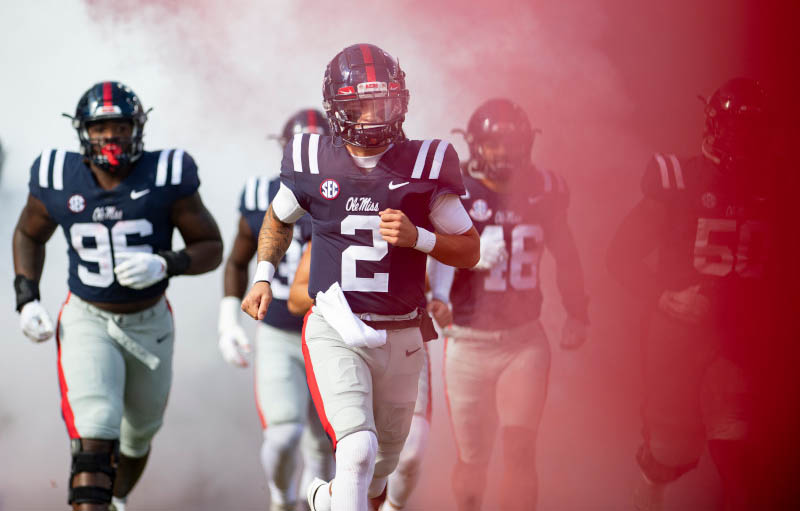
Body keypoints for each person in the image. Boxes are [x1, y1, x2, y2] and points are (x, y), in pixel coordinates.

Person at [240, 43, 480, 511]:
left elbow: (469, 250)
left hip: (403, 330)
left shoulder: (425, 163)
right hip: (336, 324)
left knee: (381, 471)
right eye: (361, 106)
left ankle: (320, 497)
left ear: (401, 100)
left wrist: (420, 239)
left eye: (382, 103)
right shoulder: (313, 157)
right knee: (357, 450)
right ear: (337, 108)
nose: (372, 117)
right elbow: (278, 218)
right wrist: (263, 275)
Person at [12, 81, 222, 511]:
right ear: (83, 132)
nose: (111, 137)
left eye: (120, 127)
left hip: (150, 322)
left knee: (139, 434)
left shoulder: (167, 174)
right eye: (100, 128)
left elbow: (212, 247)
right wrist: (26, 295)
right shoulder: (56, 175)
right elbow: (28, 233)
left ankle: (116, 499)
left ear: (137, 129)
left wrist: (166, 263)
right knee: (96, 428)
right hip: (88, 317)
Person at [607, 78, 774, 511]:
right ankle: (649, 486)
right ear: (715, 125)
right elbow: (620, 257)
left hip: (736, 338)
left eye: (752, 129)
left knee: (740, 454)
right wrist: (664, 296)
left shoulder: (777, 185)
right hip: (679, 338)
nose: (742, 140)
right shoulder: (679, 178)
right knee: (670, 455)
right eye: (735, 127)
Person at [427, 98, 590, 511]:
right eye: (493, 144)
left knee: (520, 452)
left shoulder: (545, 189)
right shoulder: (453, 190)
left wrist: (577, 310)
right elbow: (425, 252)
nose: (503, 153)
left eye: (511, 143)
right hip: (467, 342)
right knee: (473, 461)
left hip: (523, 342)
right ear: (475, 145)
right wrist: (438, 296)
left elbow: (566, 254)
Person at [217, 108, 334, 511]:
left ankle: (310, 503)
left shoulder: (350, 197)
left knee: (326, 441)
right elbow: (236, 260)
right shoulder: (259, 195)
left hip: (329, 334)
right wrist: (227, 321)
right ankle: (281, 499)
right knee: (283, 434)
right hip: (280, 333)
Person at [288, 243, 433, 511]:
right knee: (357, 450)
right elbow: (296, 296)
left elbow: (458, 256)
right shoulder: (338, 211)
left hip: (404, 339)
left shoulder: (418, 205)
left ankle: (333, 495)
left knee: (397, 460)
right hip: (350, 344)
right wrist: (336, 304)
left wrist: (421, 242)